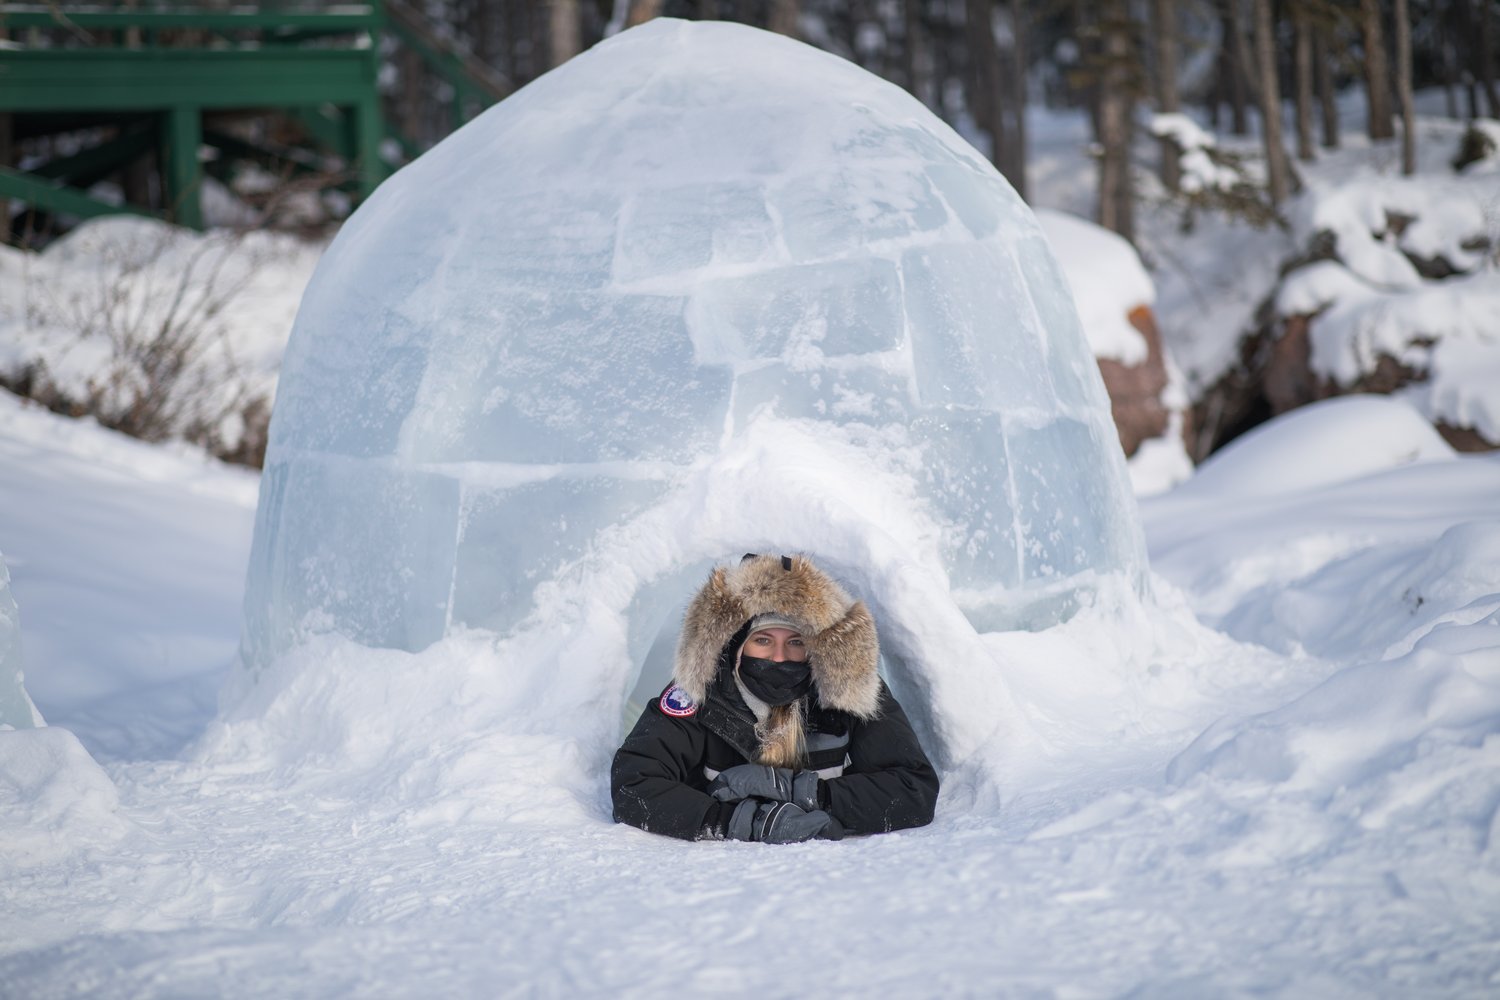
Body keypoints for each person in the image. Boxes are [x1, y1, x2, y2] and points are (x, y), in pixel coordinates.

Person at [612, 552, 939, 842]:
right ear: (736, 646)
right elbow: (633, 784)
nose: (780, 657)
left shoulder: (848, 690)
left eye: (795, 642)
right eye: (763, 640)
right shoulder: (700, 692)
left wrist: (806, 792)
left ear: (815, 646)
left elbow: (914, 788)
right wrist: (737, 822)